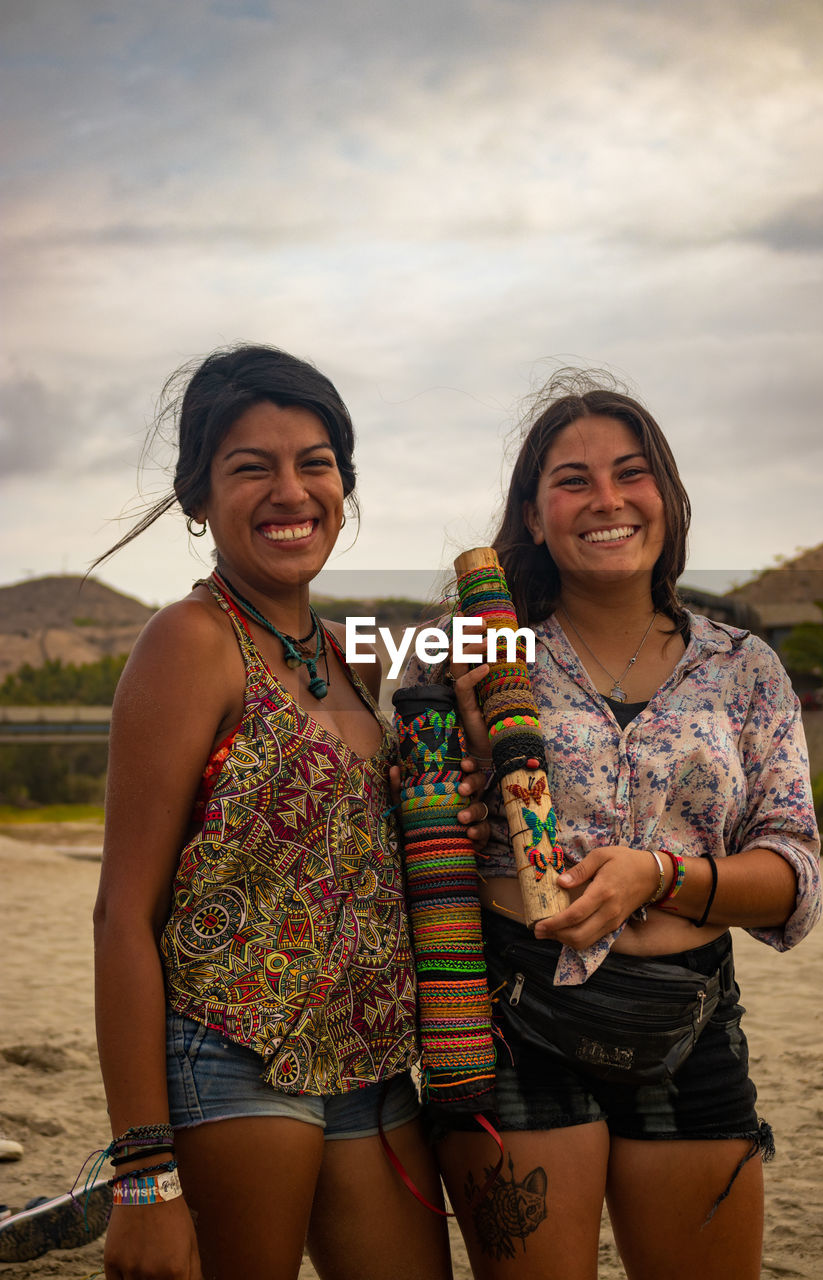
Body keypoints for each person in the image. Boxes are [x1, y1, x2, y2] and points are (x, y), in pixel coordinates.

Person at [404, 370, 821, 1280]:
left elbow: (793, 873)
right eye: (572, 480)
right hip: (512, 1018)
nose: (606, 500)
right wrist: (462, 748)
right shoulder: (469, 647)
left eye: (630, 474)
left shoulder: (741, 665)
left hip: (691, 1023)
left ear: (665, 496)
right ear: (532, 513)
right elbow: (420, 823)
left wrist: (660, 876)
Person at [92, 344, 487, 1280]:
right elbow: (121, 914)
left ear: (344, 486)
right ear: (197, 498)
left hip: (372, 1064)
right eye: (249, 467)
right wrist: (144, 1173)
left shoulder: (348, 654)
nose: (289, 490)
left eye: (314, 463)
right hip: (234, 1055)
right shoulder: (189, 643)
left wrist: (452, 808)